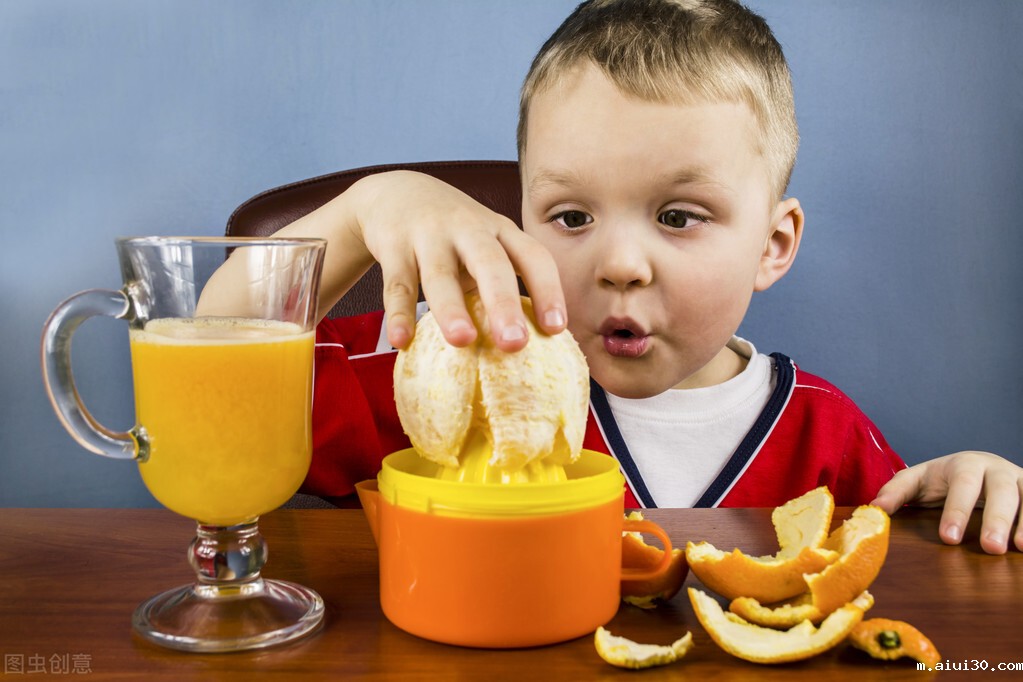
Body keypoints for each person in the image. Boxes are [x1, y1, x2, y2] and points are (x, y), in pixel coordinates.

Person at [272, 0, 1022, 554]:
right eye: (570, 217)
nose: (621, 265)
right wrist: (364, 207)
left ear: (772, 243)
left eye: (677, 216)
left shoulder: (827, 438)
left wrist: (967, 488)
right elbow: (222, 373)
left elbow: (903, 565)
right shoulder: (456, 377)